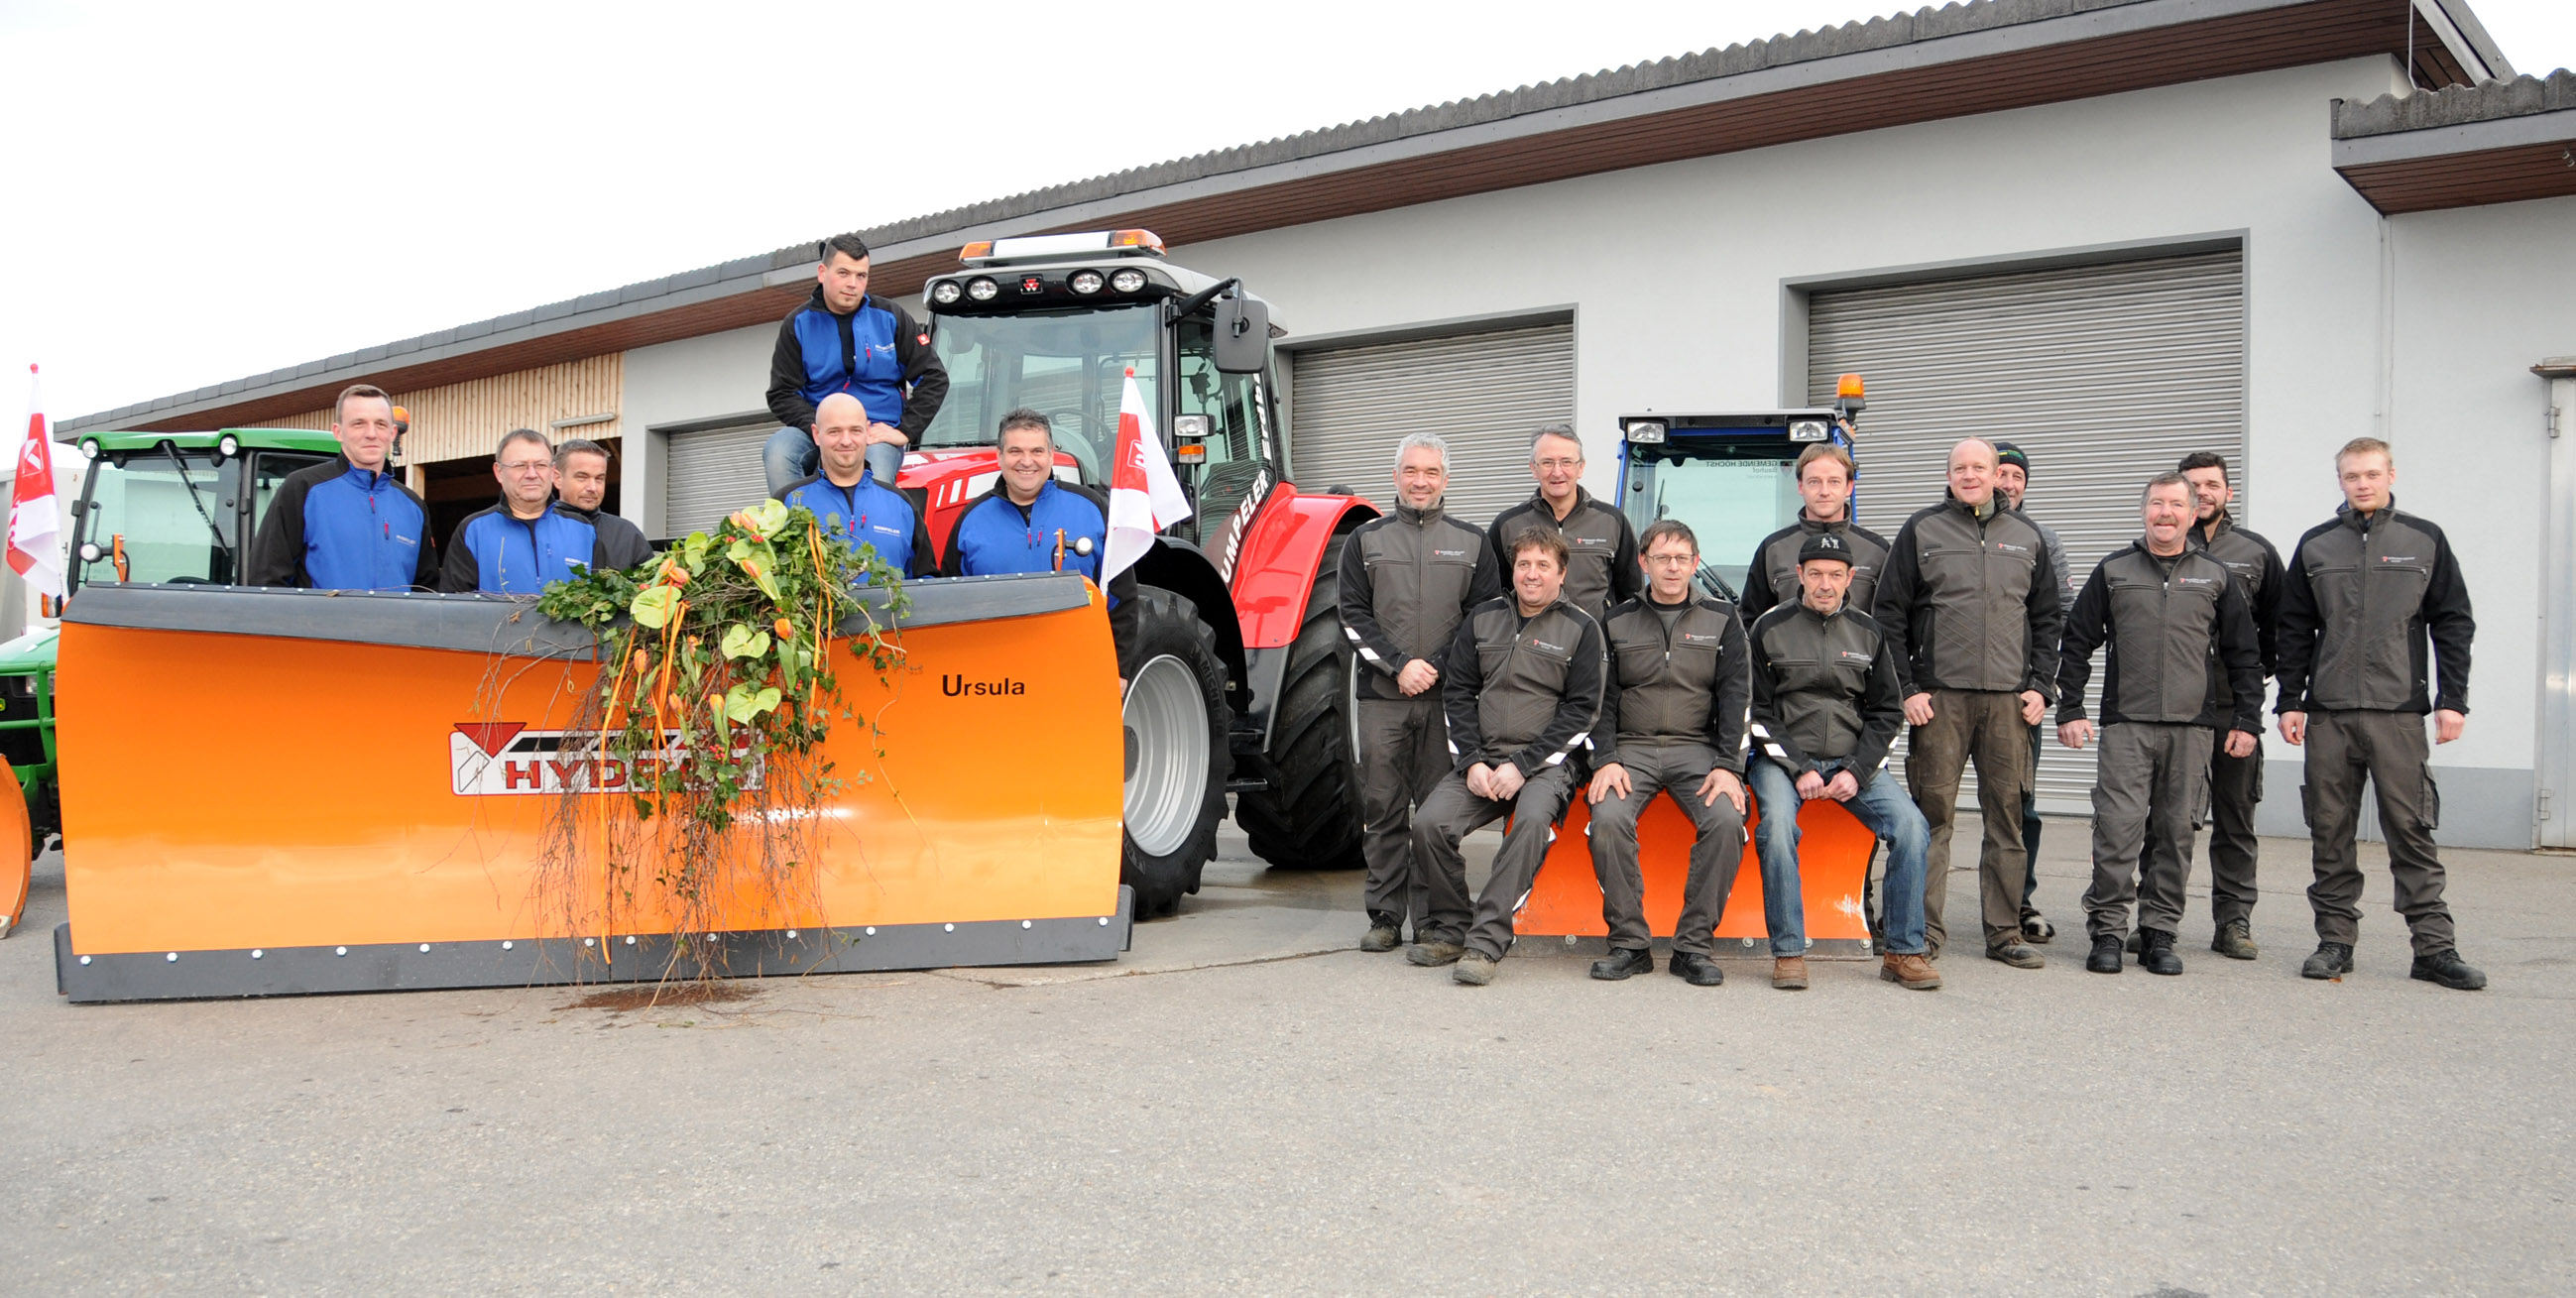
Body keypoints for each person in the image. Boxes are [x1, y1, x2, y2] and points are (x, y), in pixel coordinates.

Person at [2276, 438, 2485, 991]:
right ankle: (2334, 942)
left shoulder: (2424, 539)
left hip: (2398, 712)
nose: (2362, 484)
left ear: (2391, 474)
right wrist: (2291, 700)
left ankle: (2434, 949)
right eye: (2352, 476)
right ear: (2340, 481)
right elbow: (2293, 627)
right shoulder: (2317, 545)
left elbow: (2453, 622)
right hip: (2329, 714)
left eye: (2371, 473)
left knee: (2411, 830)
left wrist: (2453, 699)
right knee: (2330, 831)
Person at [2055, 475, 2263, 977]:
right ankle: (2108, 932)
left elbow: (2244, 653)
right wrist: (2071, 708)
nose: (2165, 512)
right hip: (2127, 725)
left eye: (2175, 504)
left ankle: (2159, 934)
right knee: (2117, 832)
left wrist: (2247, 720)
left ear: (2192, 514)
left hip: (2193, 729)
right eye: (2156, 503)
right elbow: (2077, 641)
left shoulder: (2215, 576)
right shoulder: (2114, 571)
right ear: (2144, 511)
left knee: (2176, 834)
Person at [1871, 437, 2060, 968]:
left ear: (1998, 475)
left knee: (2008, 821)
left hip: (2008, 703)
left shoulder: (2027, 536)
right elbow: (1889, 615)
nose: (1970, 475)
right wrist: (1908, 689)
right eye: (1960, 468)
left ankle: (2004, 933)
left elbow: (2047, 617)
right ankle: (1921, 931)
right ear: (1949, 475)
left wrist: (2040, 686)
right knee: (1931, 821)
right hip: (1941, 702)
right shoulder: (1921, 529)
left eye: (1980, 467)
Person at [1407, 530, 1606, 986]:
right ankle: (1452, 927)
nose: (1531, 575)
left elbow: (1583, 711)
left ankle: (1486, 942)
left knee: (1531, 823)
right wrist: (1472, 761)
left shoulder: (1581, 628)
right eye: (1523, 565)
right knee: (1429, 825)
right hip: (1484, 759)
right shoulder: (1483, 618)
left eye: (1543, 566)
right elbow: (1458, 692)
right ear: (1512, 570)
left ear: (1562, 573)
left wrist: (1523, 765)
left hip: (1547, 765)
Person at [1746, 531, 1939, 992]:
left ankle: (1903, 951)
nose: (1825, 584)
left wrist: (1858, 770)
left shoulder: (1869, 631)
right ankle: (1789, 953)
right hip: (1782, 762)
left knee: (1912, 828)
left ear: (1851, 577)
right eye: (1815, 574)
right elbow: (1756, 710)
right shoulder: (1768, 628)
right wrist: (1800, 768)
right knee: (1777, 831)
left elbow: (1887, 711)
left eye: (1835, 575)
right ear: (1799, 574)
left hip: (1854, 762)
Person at [1339, 432, 1503, 953]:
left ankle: (1433, 920)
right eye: (1411, 471)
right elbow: (1351, 615)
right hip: (1382, 698)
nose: (1420, 481)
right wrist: (1398, 666)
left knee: (1436, 814)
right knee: (1384, 808)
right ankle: (1385, 916)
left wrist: (1434, 668)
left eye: (1431, 472)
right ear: (1395, 476)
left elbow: (1483, 618)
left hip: (1447, 702)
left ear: (1445, 479)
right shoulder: (1364, 541)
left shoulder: (1473, 542)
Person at [1584, 520, 1753, 988]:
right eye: (1662, 558)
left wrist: (1728, 766)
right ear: (1644, 562)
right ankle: (1630, 945)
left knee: (1726, 821)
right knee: (1607, 820)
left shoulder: (1723, 618)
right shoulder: (1615, 620)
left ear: (1695, 563)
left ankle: (1693, 947)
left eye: (1681, 558)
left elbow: (1738, 697)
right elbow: (1599, 699)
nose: (1672, 567)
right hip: (1631, 751)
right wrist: (1606, 759)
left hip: (1696, 750)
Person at [2177, 450, 2284, 960]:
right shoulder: (2162, 546)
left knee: (2235, 819)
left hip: (2233, 708)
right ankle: (2156, 919)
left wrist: (2253, 685)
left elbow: (2281, 627)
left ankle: (2233, 922)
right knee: (2167, 820)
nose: (2203, 493)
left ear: (2228, 492)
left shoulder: (2256, 552)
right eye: (2193, 485)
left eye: (2212, 485)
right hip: (2175, 707)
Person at [761, 233, 948, 499]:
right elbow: (782, 393)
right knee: (778, 451)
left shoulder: (891, 317)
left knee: (876, 482)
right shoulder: (798, 324)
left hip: (874, 434)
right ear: (822, 273)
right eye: (844, 273)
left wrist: (905, 431)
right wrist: (820, 427)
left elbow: (934, 377)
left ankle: (871, 526)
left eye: (861, 276)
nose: (853, 284)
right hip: (816, 429)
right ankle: (797, 522)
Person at [940, 409, 1136, 654]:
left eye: (1037, 451)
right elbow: (949, 604)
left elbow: (1122, 598)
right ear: (999, 456)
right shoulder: (972, 519)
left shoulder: (1092, 508)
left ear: (1051, 455)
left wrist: (1117, 669)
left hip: (1078, 664)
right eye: (1015, 451)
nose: (1026, 461)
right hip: (995, 668)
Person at [1990, 440, 2072, 944]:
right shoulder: (1937, 530)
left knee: (2020, 807)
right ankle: (1917, 909)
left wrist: (2042, 685)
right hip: (1951, 696)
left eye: (2016, 476)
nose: (2007, 483)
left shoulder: (2041, 539)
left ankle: (2018, 903)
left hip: (2018, 698)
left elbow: (2058, 614)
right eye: (2000, 473)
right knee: (1933, 807)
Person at [247, 383, 438, 591]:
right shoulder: (303, 489)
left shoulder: (413, 506)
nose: (371, 433)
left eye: (380, 424)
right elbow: (267, 579)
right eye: (359, 423)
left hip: (396, 615)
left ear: (392, 433)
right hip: (321, 614)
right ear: (338, 432)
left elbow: (427, 590)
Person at [1487, 424, 1639, 623]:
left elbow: (1631, 594)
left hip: (1597, 638)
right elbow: (1494, 596)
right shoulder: (1507, 525)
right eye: (1547, 462)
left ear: (1581, 467)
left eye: (1566, 462)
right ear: (1533, 468)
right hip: (1530, 638)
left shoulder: (1612, 521)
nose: (1557, 472)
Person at [780, 393, 937, 580]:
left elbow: (926, 582)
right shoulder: (787, 503)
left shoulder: (900, 503)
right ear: (816, 434)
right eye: (834, 432)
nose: (846, 441)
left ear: (867, 432)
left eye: (855, 430)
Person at [440, 429, 605, 595]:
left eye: (540, 465)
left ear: (553, 471)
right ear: (499, 472)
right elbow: (454, 604)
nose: (532, 474)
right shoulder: (474, 531)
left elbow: (600, 599)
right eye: (520, 465)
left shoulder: (584, 530)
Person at [1739, 441, 1890, 621]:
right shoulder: (1773, 549)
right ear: (1800, 486)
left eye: (1834, 482)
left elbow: (1890, 620)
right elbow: (1751, 621)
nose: (1824, 491)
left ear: (1849, 487)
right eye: (1814, 482)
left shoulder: (1877, 551)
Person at [552, 438, 654, 572]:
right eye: (582, 477)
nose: (592, 488)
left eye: (599, 479)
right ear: (557, 478)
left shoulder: (627, 534)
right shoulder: (538, 529)